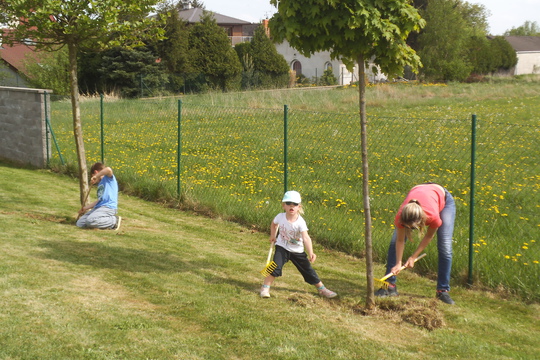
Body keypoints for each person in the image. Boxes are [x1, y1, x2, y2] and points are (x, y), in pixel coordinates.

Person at [375, 183, 456, 304]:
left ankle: (442, 290)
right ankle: (389, 285)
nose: (410, 230)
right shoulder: (401, 216)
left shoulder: (432, 217)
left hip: (443, 199)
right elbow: (400, 240)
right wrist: (398, 263)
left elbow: (429, 236)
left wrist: (413, 257)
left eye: (413, 228)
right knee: (394, 242)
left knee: (445, 247)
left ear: (420, 221)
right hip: (420, 191)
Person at [260, 190, 337, 299]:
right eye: (288, 204)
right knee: (274, 266)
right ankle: (265, 288)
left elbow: (306, 238)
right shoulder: (280, 217)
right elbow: (274, 224)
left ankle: (322, 289)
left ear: (299, 207)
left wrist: (311, 252)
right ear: (284, 206)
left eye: (295, 204)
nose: (291, 206)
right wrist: (273, 235)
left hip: (297, 251)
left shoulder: (300, 222)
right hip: (282, 247)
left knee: (308, 270)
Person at [76, 162, 121, 230]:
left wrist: (96, 176)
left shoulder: (108, 178)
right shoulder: (100, 184)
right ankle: (99, 221)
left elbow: (108, 169)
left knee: (90, 220)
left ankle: (114, 221)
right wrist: (85, 208)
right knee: (80, 223)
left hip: (108, 207)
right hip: (99, 207)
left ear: (96, 172)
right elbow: (99, 201)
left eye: (92, 175)